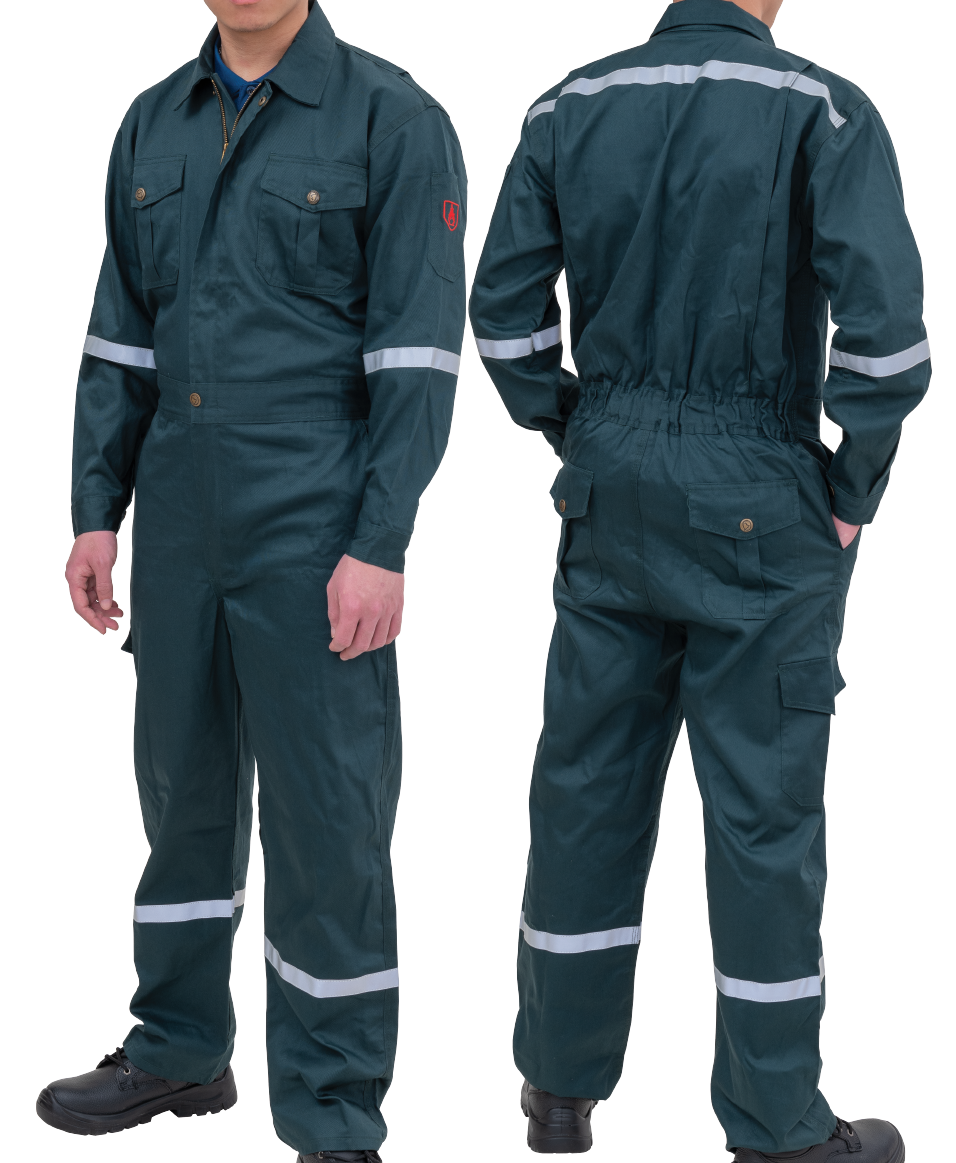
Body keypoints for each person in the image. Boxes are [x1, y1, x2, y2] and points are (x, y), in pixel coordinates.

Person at [469, 0, 927, 1159]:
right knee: (762, 817)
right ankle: (776, 1123)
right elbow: (884, 341)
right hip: (759, 501)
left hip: (610, 491)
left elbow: (503, 321)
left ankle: (556, 1085)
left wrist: (584, 431)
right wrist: (852, 486)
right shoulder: (820, 110)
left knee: (583, 789)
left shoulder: (569, 104)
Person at [36, 1, 466, 1159]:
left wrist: (381, 539)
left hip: (315, 519)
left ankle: (333, 1109)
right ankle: (179, 1046)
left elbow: (417, 352)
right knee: (180, 794)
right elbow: (120, 337)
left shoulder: (391, 119)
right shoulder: (151, 124)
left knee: (329, 819)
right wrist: (96, 510)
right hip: (179, 513)